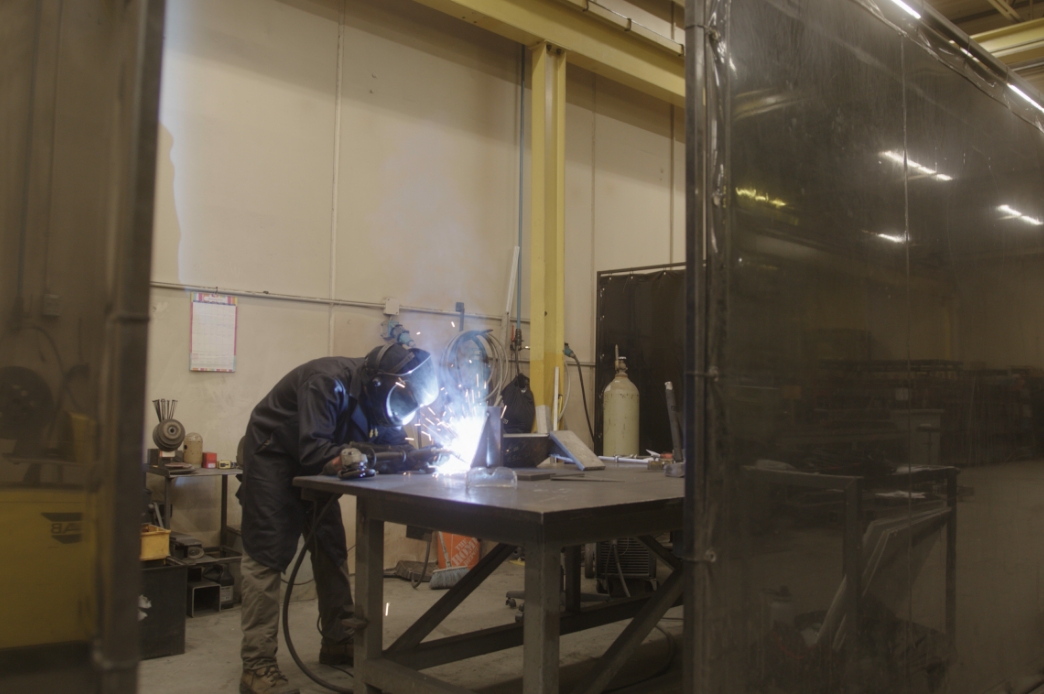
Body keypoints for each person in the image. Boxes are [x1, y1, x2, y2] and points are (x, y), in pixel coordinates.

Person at [237, 343, 439, 694]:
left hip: (316, 463)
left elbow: (393, 444)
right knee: (265, 558)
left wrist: (415, 456)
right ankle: (257, 667)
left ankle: (337, 640)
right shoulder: (327, 383)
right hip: (273, 458)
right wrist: (385, 456)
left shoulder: (384, 398)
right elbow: (315, 452)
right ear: (382, 382)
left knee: (330, 547)